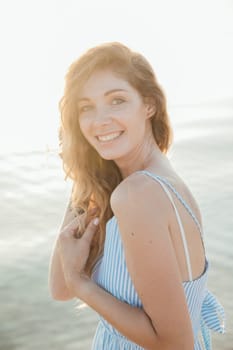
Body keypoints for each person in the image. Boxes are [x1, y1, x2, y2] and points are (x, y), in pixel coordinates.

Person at [48, 42, 225, 349]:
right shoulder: (147, 183)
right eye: (86, 107)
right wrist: (83, 172)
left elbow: (175, 344)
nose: (99, 120)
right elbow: (60, 287)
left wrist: (83, 285)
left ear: (149, 105)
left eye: (116, 101)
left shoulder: (138, 195)